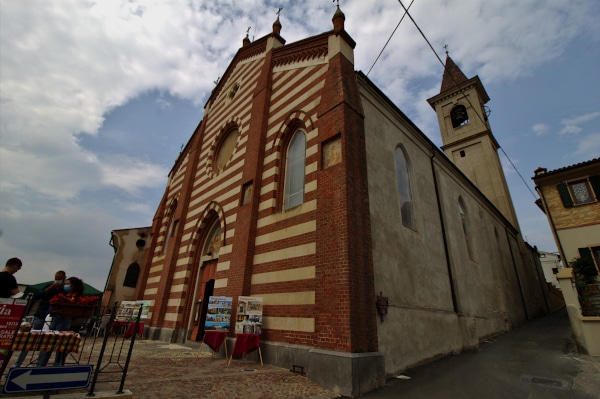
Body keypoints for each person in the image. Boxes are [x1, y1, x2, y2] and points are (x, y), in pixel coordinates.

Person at [13, 270, 66, 367]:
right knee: (29, 340)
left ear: (63, 279)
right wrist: (50, 288)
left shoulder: (63, 290)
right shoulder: (48, 286)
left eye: (60, 279)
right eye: (56, 279)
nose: (57, 281)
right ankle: (17, 364)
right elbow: (37, 296)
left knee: (46, 343)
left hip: (52, 318)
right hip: (40, 314)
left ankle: (40, 365)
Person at [37, 276, 85, 367]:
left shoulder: (76, 297)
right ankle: (41, 364)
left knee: (60, 345)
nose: (66, 285)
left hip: (64, 320)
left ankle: (57, 365)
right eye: (66, 284)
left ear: (73, 286)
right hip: (55, 319)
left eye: (68, 284)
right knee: (49, 343)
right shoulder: (64, 294)